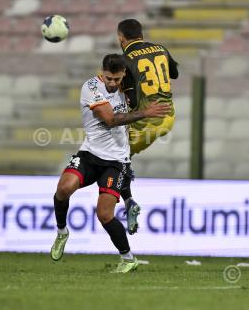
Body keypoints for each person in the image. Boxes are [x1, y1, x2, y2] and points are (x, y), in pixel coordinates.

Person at [50, 54, 171, 273]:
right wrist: (145, 112)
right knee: (63, 189)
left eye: (116, 79)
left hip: (115, 161)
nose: (113, 84)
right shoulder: (92, 87)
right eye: (109, 79)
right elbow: (111, 119)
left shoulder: (128, 86)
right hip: (90, 153)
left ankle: (128, 259)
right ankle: (62, 232)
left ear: (123, 74)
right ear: (102, 73)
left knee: (104, 214)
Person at [116, 19, 180, 235]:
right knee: (121, 153)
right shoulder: (161, 48)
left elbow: (133, 102)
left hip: (149, 121)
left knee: (113, 156)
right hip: (168, 116)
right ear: (141, 34)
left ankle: (128, 201)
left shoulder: (125, 60)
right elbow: (175, 74)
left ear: (121, 38)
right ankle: (127, 179)